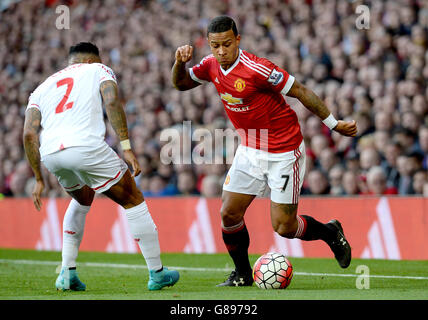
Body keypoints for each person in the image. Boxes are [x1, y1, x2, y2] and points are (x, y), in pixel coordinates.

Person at [172, 16, 357, 286]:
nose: (221, 51)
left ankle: (330, 232)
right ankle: (243, 274)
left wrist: (333, 123)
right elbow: (180, 84)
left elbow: (300, 90)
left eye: (226, 44)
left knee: (284, 227)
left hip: (284, 150)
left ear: (237, 40)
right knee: (229, 213)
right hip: (250, 148)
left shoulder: (257, 68)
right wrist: (179, 62)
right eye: (215, 46)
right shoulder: (211, 66)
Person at [23, 42, 179, 291]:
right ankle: (157, 272)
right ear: (90, 61)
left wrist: (39, 178)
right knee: (133, 199)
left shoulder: (42, 87)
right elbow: (112, 101)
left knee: (83, 198)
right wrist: (126, 146)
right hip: (85, 146)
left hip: (51, 153)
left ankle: (67, 272)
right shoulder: (99, 70)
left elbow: (29, 135)